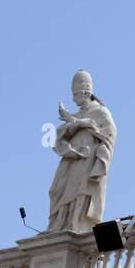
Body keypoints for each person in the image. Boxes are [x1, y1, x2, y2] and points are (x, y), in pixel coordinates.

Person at [47, 69, 116, 232]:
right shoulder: (78, 115)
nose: (73, 98)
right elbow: (62, 134)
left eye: (76, 95)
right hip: (71, 157)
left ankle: (75, 224)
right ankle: (59, 224)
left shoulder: (100, 111)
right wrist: (72, 122)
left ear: (86, 92)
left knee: (79, 189)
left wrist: (76, 121)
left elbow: (110, 134)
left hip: (87, 157)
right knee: (57, 189)